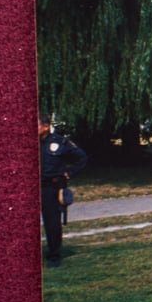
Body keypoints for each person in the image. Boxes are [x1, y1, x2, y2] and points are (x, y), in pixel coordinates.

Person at [39, 114, 87, 268]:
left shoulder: (60, 142)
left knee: (52, 222)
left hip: (50, 187)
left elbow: (82, 158)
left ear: (45, 126)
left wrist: (69, 173)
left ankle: (53, 255)